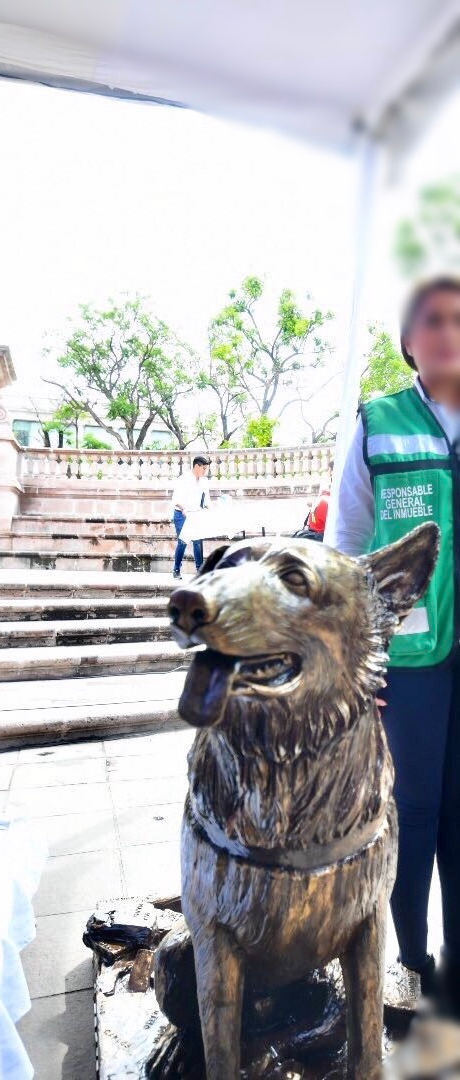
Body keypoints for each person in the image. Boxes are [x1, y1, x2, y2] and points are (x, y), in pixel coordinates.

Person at [327, 276, 460, 1013]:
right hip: (406, 665)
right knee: (412, 812)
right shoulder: (377, 423)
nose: (446, 332)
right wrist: (353, 659)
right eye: (430, 321)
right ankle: (409, 964)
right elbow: (343, 548)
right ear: (408, 341)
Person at [170, 455, 210, 578]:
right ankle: (176, 570)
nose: (205, 471)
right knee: (182, 542)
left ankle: (199, 571)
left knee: (198, 542)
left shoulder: (204, 482)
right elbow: (175, 499)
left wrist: (209, 510)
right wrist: (184, 509)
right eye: (203, 468)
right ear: (197, 466)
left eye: (206, 468)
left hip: (196, 515)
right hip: (181, 515)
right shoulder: (184, 479)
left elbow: (206, 500)